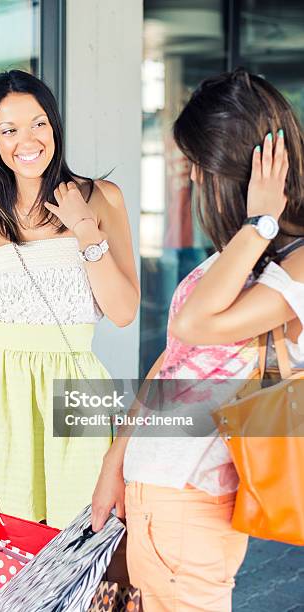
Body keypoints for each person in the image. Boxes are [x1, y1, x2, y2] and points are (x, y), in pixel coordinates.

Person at [91, 68, 304, 611]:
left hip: (190, 507)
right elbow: (174, 358)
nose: (192, 182)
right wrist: (116, 460)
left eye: (197, 168)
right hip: (153, 495)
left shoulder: (294, 262)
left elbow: (194, 325)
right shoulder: (239, 252)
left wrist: (261, 223)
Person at [0, 70, 140, 528]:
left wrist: (85, 227)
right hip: (1, 396)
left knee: (81, 542)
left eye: (38, 124)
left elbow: (125, 311)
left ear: (54, 126)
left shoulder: (103, 198)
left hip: (76, 389)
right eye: (8, 130)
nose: (26, 140)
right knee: (2, 549)